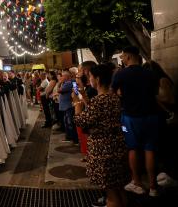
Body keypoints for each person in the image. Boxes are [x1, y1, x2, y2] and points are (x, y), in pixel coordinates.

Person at [75, 64, 129, 207]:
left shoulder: (98, 101)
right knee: (120, 190)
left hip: (103, 149)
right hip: (118, 145)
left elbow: (82, 122)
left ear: (97, 79)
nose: (90, 79)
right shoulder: (115, 98)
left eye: (91, 77)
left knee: (111, 194)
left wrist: (77, 107)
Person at [112, 46, 159, 197]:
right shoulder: (150, 73)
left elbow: (113, 93)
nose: (122, 59)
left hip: (131, 116)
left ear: (128, 56)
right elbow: (156, 93)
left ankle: (137, 182)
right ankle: (153, 187)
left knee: (132, 148)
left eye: (123, 56)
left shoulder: (122, 74)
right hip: (152, 115)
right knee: (150, 149)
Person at [143, 60, 178, 188]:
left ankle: (172, 175)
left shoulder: (162, 80)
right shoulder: (156, 81)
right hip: (160, 118)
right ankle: (167, 174)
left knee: (169, 147)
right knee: (163, 147)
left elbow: (169, 99)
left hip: (167, 119)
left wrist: (153, 96)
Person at [59, 71, 78, 144]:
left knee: (70, 122)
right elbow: (76, 91)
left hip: (69, 106)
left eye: (63, 76)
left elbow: (59, 90)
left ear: (67, 77)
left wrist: (60, 83)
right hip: (68, 105)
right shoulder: (72, 82)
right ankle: (71, 137)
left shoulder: (69, 83)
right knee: (67, 122)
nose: (61, 77)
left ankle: (73, 138)